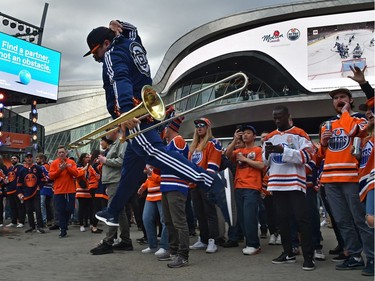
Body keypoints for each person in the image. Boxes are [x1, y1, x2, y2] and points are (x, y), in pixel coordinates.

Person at [83, 21, 229, 228]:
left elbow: (120, 80)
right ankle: (113, 211)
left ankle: (207, 180)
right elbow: (132, 29)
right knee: (131, 169)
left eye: (95, 51)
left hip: (134, 112)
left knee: (154, 152)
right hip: (145, 106)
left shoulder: (112, 53)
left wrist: (125, 113)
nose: (96, 57)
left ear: (106, 43)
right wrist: (121, 24)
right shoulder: (132, 42)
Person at [318, 65, 374, 276]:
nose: (338, 100)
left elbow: (354, 132)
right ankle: (355, 255)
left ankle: (373, 258)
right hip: (330, 180)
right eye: (335, 98)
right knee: (342, 221)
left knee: (361, 220)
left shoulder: (358, 119)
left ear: (350, 100)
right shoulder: (326, 125)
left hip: (352, 178)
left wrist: (345, 113)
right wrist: (322, 145)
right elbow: (322, 156)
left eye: (342, 97)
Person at [263, 105, 315, 271]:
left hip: (295, 182)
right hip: (277, 183)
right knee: (282, 220)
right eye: (275, 118)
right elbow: (265, 163)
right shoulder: (270, 136)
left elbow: (307, 156)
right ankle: (288, 252)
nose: (277, 120)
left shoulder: (300, 133)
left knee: (302, 220)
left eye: (280, 117)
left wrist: (283, 150)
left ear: (288, 116)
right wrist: (267, 152)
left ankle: (308, 256)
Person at [90, 128, 134, 255]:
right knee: (119, 211)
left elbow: (122, 161)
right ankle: (125, 241)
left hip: (116, 180)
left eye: (107, 131)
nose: (106, 135)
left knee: (112, 211)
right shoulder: (116, 143)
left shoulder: (121, 142)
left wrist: (105, 161)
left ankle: (108, 242)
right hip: (113, 180)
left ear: (115, 131)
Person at [225, 124, 264, 255]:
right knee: (242, 218)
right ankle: (249, 243)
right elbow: (227, 153)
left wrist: (244, 159)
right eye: (244, 133)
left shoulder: (258, 150)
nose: (245, 135)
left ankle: (254, 244)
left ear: (254, 136)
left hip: (252, 187)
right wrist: (235, 139)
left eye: (248, 133)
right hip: (239, 187)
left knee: (249, 217)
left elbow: (261, 165)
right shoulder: (238, 151)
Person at [158, 116, 190, 268]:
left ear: (169, 128)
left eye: (163, 128)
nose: (162, 132)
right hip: (167, 185)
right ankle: (174, 251)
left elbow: (174, 160)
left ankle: (183, 256)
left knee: (179, 222)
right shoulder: (171, 142)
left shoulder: (178, 140)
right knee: (169, 221)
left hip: (176, 186)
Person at [188, 118, 222, 254]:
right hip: (195, 183)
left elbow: (213, 166)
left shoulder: (213, 143)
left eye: (202, 125)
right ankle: (203, 239)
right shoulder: (194, 145)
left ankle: (213, 240)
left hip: (206, 183)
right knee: (199, 213)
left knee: (210, 212)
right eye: (197, 126)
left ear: (208, 127)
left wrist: (205, 180)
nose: (199, 128)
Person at [138, 165, 169, 256]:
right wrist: (144, 186)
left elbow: (164, 178)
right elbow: (149, 179)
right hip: (151, 194)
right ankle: (152, 245)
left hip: (161, 193)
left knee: (164, 220)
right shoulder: (149, 161)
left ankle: (164, 246)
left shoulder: (159, 161)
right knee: (146, 219)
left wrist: (151, 174)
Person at [49, 145, 79, 238]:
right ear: (57, 154)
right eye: (59, 152)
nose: (61, 154)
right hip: (59, 191)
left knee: (69, 209)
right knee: (60, 211)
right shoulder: (54, 163)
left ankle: (64, 225)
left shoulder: (71, 162)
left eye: (63, 152)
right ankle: (63, 229)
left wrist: (67, 167)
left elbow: (76, 173)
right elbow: (51, 176)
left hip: (70, 190)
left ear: (66, 153)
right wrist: (60, 169)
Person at [17, 152, 45, 234]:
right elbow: (19, 183)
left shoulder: (37, 168)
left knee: (38, 209)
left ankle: (40, 226)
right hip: (26, 193)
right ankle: (31, 226)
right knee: (28, 210)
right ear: (25, 159)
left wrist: (40, 186)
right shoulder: (22, 170)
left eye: (30, 157)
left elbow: (43, 178)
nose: (29, 159)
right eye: (27, 157)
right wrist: (20, 193)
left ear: (32, 158)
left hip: (36, 191)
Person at [75, 153, 99, 232]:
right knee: (82, 208)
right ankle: (81, 224)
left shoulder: (91, 167)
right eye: (86, 157)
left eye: (89, 157)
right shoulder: (79, 166)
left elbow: (95, 175)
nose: (88, 159)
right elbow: (77, 174)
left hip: (89, 189)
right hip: (81, 190)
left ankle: (91, 223)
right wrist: (85, 168)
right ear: (82, 158)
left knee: (91, 207)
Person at [5, 155, 25, 228]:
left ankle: (21, 221)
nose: (13, 160)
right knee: (12, 206)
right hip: (10, 190)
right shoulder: (10, 168)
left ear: (18, 160)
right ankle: (14, 221)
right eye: (12, 158)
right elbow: (8, 177)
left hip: (17, 190)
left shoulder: (20, 168)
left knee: (20, 206)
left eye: (15, 158)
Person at [36, 153, 54, 227]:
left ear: (42, 159)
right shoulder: (43, 166)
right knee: (47, 204)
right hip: (47, 187)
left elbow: (48, 176)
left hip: (45, 187)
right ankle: (48, 219)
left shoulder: (44, 166)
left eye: (37, 159)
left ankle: (44, 219)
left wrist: (43, 180)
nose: (36, 160)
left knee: (42, 204)